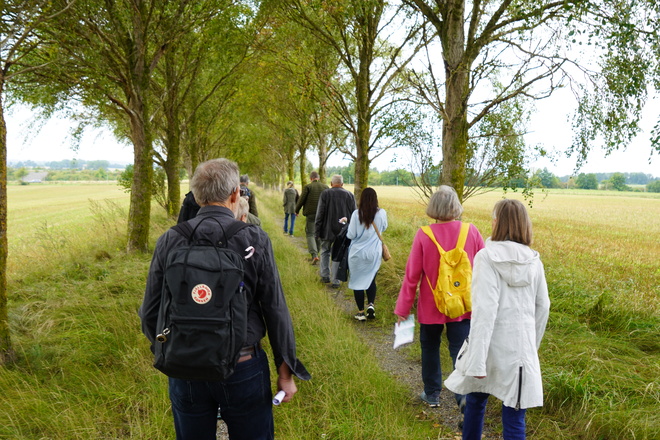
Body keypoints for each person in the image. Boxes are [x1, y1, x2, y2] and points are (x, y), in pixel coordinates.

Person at [139, 158, 310, 440]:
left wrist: (170, 348)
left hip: (185, 366)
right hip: (243, 366)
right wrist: (286, 373)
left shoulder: (170, 239)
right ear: (235, 194)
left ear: (195, 195)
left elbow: (150, 310)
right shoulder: (253, 238)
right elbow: (275, 310)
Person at [445, 199, 550, 440]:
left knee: (475, 401)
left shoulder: (486, 257)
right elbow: (543, 306)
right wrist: (531, 348)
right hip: (520, 354)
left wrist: (477, 361)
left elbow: (485, 310)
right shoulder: (534, 260)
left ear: (497, 223)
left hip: (489, 348)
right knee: (514, 417)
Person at [394, 185, 485, 412]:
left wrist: (403, 309)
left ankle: (432, 394)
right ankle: (462, 396)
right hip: (463, 305)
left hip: (431, 306)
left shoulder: (423, 234)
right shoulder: (471, 231)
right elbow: (485, 268)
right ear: (456, 206)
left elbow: (412, 276)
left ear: (433, 207)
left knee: (430, 348)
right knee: (460, 350)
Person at [346, 187, 387, 321]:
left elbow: (351, 234)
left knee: (357, 281)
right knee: (371, 279)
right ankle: (371, 305)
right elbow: (384, 228)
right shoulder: (382, 213)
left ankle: (360, 312)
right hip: (374, 252)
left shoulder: (356, 214)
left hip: (357, 253)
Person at [315, 175, 357, 288]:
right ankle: (336, 281)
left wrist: (317, 230)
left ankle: (325, 276)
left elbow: (320, 214)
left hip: (327, 230)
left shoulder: (325, 194)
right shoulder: (350, 195)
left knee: (325, 251)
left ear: (331, 183)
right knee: (338, 254)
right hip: (343, 231)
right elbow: (355, 215)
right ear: (342, 184)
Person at [295, 171, 328, 265]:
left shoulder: (308, 187)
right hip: (323, 214)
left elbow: (301, 199)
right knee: (318, 234)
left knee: (310, 234)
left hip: (311, 214)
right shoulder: (325, 187)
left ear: (311, 178)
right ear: (318, 178)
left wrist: (296, 210)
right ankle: (317, 254)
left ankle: (314, 255)